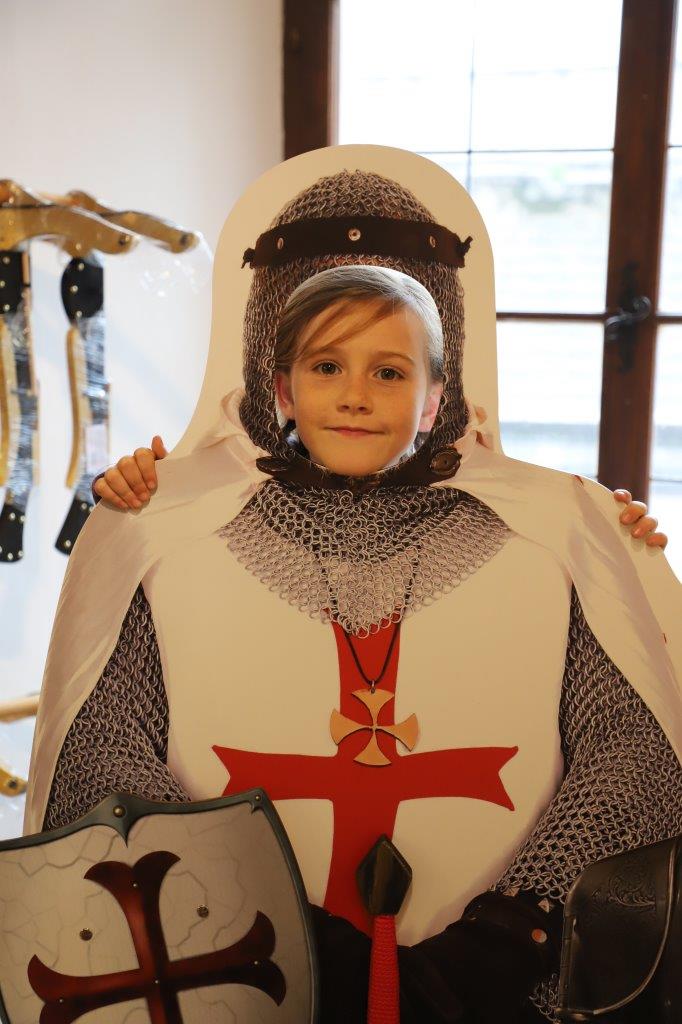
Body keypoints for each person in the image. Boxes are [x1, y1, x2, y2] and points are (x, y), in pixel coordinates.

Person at [25, 161, 682, 1024]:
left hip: (502, 980)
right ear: (281, 381)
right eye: (328, 364)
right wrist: (264, 926)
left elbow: (632, 753)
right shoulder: (161, 530)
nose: (356, 397)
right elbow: (103, 757)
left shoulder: (556, 532)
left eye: (390, 372)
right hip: (231, 969)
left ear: (438, 389)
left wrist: (513, 933)